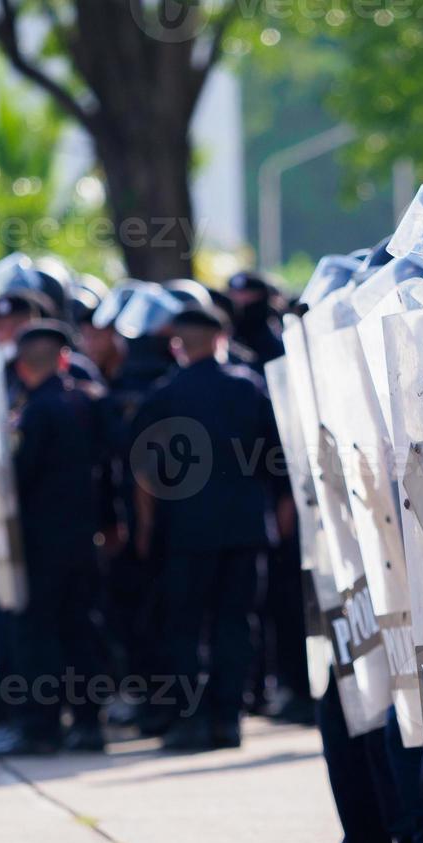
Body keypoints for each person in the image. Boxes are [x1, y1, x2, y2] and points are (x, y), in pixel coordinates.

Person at [133, 305, 281, 751]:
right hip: (243, 529)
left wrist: (144, 526)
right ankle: (227, 719)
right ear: (221, 338)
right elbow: (278, 457)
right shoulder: (249, 388)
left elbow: (143, 471)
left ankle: (190, 719)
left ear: (178, 343)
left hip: (186, 532)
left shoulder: (164, 394)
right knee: (236, 625)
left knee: (184, 628)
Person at [0, 320, 104, 757]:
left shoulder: (34, 413)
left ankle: (40, 728)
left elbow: (17, 478)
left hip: (39, 544)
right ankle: (89, 724)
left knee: (37, 636)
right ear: (64, 358)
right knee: (81, 632)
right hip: (84, 540)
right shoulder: (88, 404)